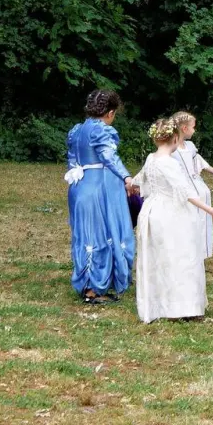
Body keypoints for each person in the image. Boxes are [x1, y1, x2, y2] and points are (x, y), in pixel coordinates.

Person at [133, 116, 213, 322]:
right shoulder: (168, 163)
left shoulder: (150, 158)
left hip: (152, 210)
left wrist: (130, 185)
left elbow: (140, 181)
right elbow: (186, 191)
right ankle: (182, 307)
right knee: (181, 256)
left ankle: (161, 304)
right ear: (174, 138)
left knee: (161, 257)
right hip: (171, 213)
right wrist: (210, 210)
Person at [65, 90, 137, 305]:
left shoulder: (76, 131)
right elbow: (108, 157)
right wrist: (126, 176)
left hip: (78, 186)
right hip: (98, 188)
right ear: (111, 112)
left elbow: (72, 160)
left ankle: (90, 281)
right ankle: (94, 288)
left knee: (85, 234)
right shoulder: (102, 131)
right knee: (101, 233)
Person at [171, 111, 213, 259]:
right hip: (183, 189)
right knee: (186, 220)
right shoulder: (171, 148)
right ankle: (185, 251)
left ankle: (200, 251)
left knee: (201, 218)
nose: (194, 130)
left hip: (197, 185)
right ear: (184, 128)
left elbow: (199, 162)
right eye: (193, 127)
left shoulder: (190, 146)